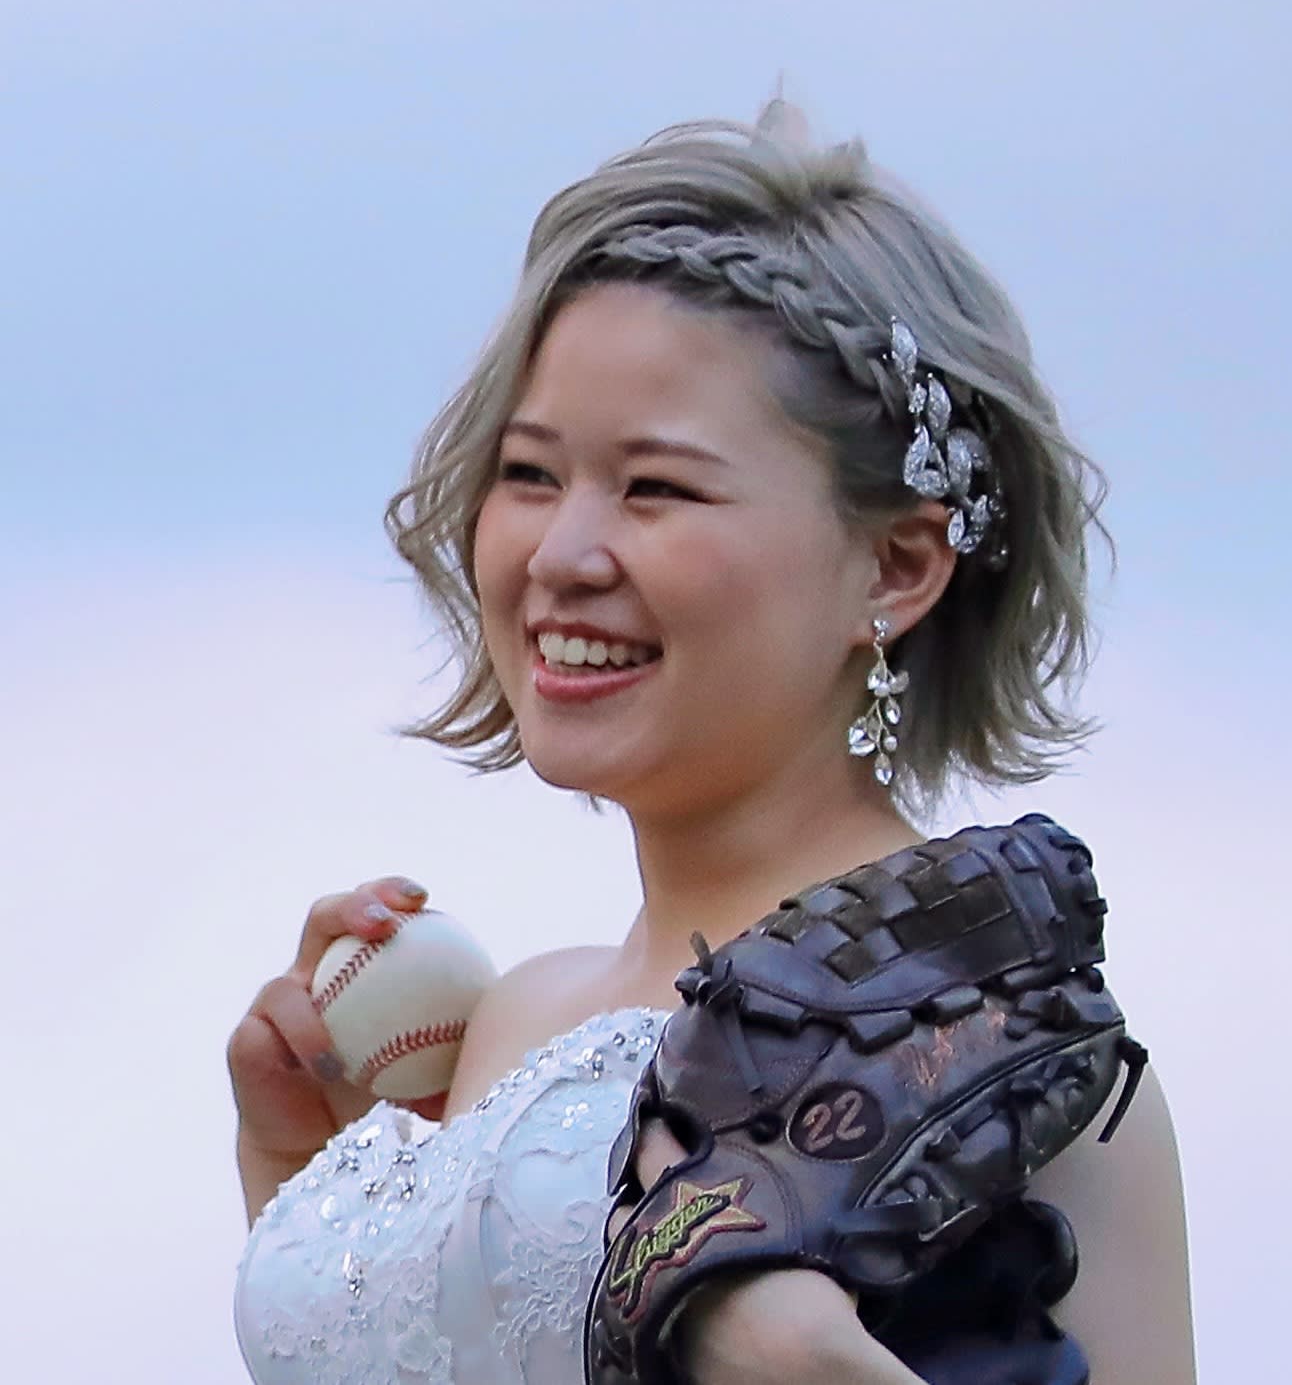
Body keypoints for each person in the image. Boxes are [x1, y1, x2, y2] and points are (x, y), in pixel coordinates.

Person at [228, 102, 1195, 1385]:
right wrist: (309, 1177)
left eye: (656, 488)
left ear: (896, 567)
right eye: (530, 474)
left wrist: (809, 1367)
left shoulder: (999, 1039)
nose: (563, 554)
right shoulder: (521, 1015)